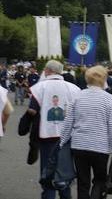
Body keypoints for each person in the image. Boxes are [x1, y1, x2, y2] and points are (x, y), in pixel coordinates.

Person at [60, 65, 112, 199]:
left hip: (79, 145)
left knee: (83, 182)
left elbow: (68, 122)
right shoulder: (109, 99)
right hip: (100, 146)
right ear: (104, 79)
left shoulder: (78, 96)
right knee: (99, 180)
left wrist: (62, 142)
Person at [28, 60, 81, 199]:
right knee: (65, 170)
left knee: (47, 171)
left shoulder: (39, 87)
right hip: (67, 136)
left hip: (47, 135)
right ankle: (65, 195)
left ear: (47, 71)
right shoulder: (73, 88)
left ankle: (49, 195)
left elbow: (32, 110)